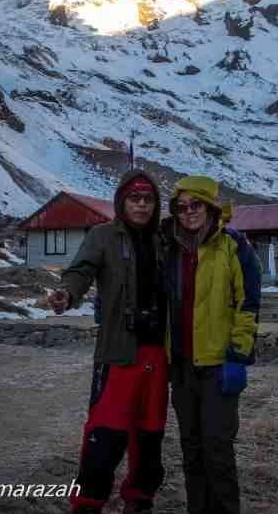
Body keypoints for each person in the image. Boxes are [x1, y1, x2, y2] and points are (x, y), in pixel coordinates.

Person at [48, 170, 168, 514]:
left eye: (148, 199)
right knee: (106, 434)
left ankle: (140, 499)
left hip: (158, 353)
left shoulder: (163, 240)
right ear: (122, 202)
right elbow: (80, 271)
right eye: (135, 198)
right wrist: (66, 294)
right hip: (118, 353)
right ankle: (88, 503)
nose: (142, 205)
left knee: (149, 435)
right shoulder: (102, 236)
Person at [159, 176, 261, 514]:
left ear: (211, 207)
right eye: (181, 206)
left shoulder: (234, 246)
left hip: (218, 366)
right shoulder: (170, 248)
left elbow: (248, 305)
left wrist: (238, 355)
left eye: (196, 205)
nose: (188, 212)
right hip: (182, 367)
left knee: (217, 450)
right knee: (191, 451)